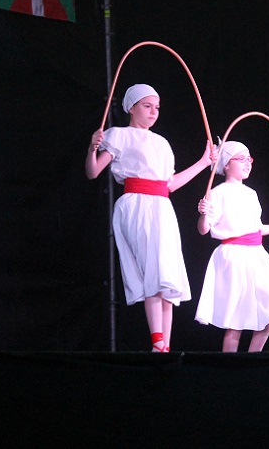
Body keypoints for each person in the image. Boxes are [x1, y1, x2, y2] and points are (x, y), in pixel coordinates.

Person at [85, 83, 216, 352]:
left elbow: (169, 184)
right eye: (147, 106)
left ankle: (164, 345)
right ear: (131, 108)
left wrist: (203, 162)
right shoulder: (119, 135)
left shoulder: (162, 143)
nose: (153, 112)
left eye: (156, 107)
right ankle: (157, 340)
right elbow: (93, 171)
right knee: (153, 271)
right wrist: (91, 149)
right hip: (136, 206)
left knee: (167, 275)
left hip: (161, 207)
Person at [195, 141, 269, 352]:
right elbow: (204, 229)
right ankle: (230, 366)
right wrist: (203, 214)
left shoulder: (251, 194)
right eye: (241, 159)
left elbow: (257, 228)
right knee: (237, 318)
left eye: (249, 159)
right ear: (226, 165)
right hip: (233, 256)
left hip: (256, 254)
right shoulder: (218, 193)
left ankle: (253, 356)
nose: (247, 163)